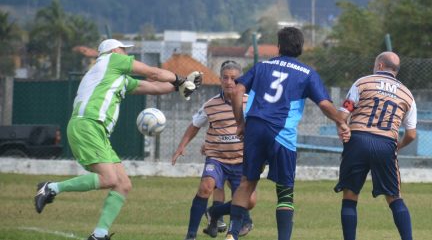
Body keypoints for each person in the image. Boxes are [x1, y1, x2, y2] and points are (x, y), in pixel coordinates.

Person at [34, 39, 202, 240]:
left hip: (97, 131)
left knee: (123, 184)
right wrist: (180, 79)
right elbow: (153, 73)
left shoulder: (116, 77)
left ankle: (99, 234)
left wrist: (181, 87)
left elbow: (154, 87)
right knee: (109, 179)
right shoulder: (110, 59)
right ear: (114, 50)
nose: (126, 53)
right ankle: (51, 188)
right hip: (87, 124)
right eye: (124, 49)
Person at [221, 27, 350, 240]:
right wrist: (341, 121)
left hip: (255, 127)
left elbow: (236, 90)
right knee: (285, 191)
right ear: (301, 47)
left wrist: (240, 122)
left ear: (279, 46)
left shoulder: (262, 66)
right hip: (281, 133)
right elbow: (325, 104)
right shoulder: (308, 73)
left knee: (247, 182)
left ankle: (232, 234)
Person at [335, 51, 418, 240]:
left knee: (350, 197)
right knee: (394, 198)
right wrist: (397, 146)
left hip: (357, 141)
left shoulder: (363, 82)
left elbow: (342, 115)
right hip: (386, 143)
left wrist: (344, 129)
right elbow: (412, 134)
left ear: (380, 65)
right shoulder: (407, 95)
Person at [171, 60, 257, 240]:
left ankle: (215, 212)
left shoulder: (250, 103)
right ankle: (191, 235)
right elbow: (194, 125)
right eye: (225, 77)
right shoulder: (211, 104)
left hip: (241, 161)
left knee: (249, 202)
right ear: (220, 80)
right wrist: (181, 146)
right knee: (206, 187)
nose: (228, 81)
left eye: (233, 78)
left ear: (240, 80)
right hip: (216, 158)